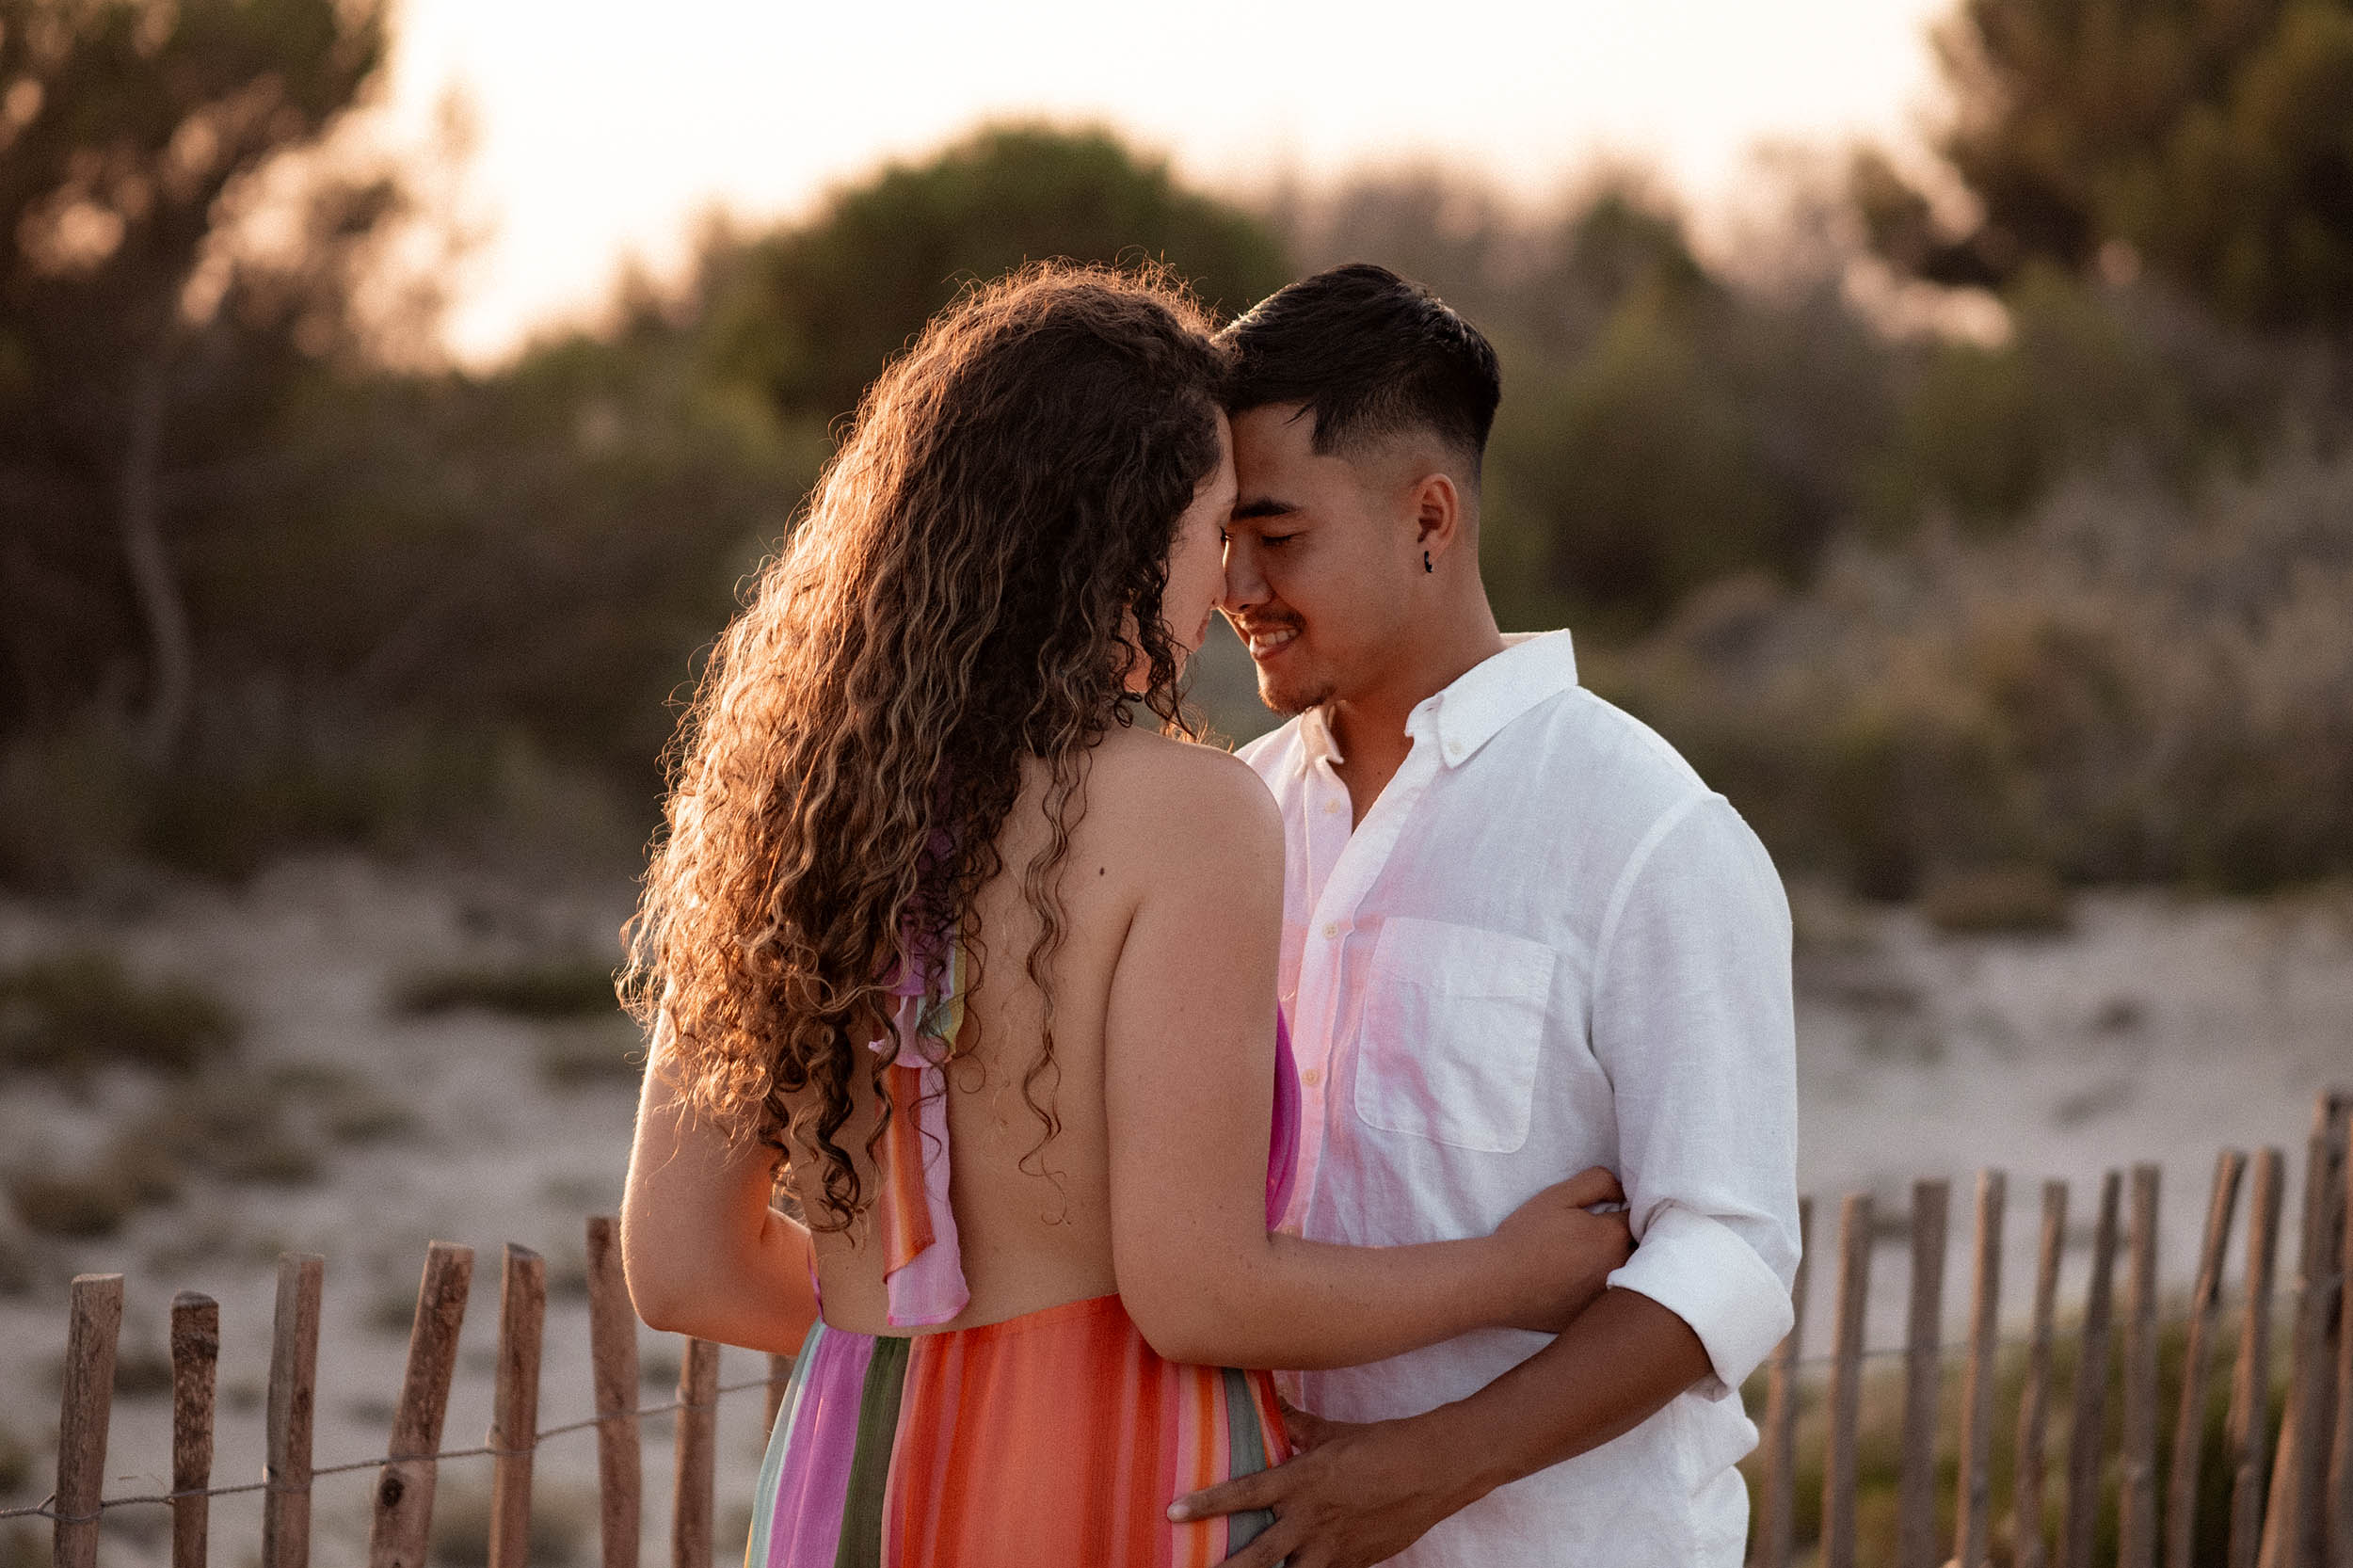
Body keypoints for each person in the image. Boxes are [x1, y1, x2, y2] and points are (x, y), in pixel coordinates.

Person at [615, 264, 1633, 1568]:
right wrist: (1512, 1273)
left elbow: (681, 1268)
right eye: (1215, 526)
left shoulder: (782, 811)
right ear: (1122, 533)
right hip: (1111, 1480)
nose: (1222, 584)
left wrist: (922, 1331)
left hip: (843, 1466)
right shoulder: (1190, 817)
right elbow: (1197, 1288)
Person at [1170, 263, 1801, 1567]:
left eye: (1278, 535)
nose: (1236, 580)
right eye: (1224, 533)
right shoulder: (1229, 819)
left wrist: (1429, 1468)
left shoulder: (1649, 831)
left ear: (1431, 517)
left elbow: (1728, 1251)